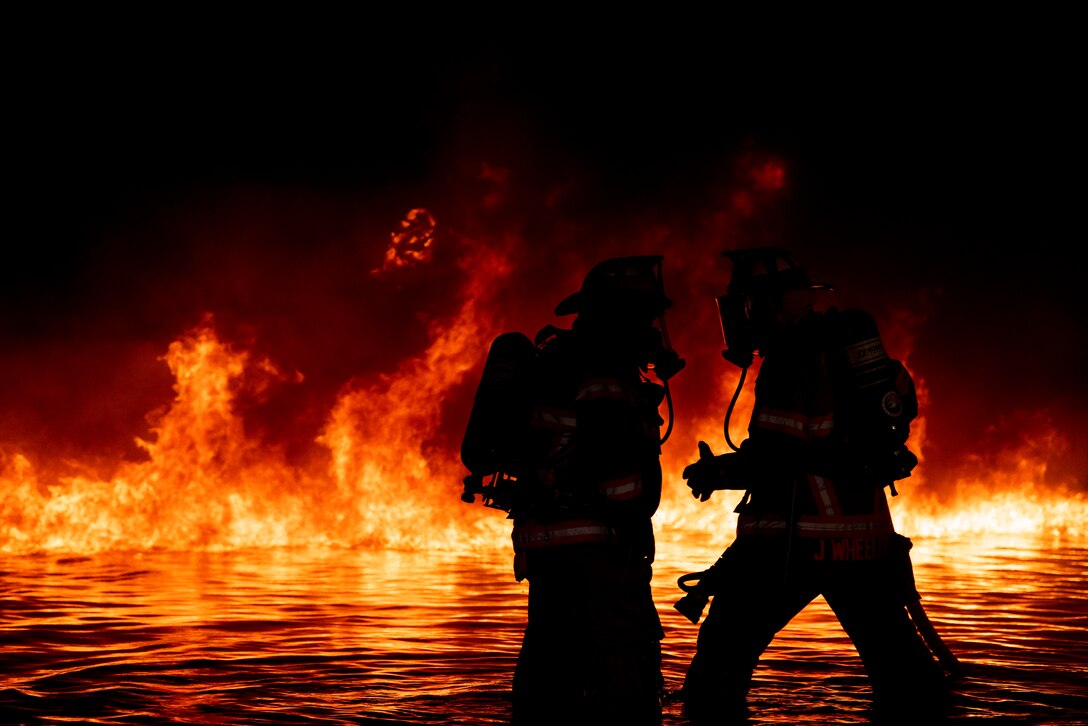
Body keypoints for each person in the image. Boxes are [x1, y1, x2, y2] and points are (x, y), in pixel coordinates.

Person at [677, 247, 949, 722]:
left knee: (717, 671)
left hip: (792, 543)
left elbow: (779, 455)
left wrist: (718, 473)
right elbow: (831, 441)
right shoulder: (838, 352)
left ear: (763, 305)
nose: (741, 317)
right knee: (907, 681)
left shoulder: (790, 360)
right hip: (864, 545)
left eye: (744, 305)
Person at [463, 255, 684, 725]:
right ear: (621, 316)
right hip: (599, 552)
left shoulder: (557, 359)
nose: (652, 329)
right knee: (625, 688)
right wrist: (633, 519)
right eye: (644, 317)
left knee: (548, 675)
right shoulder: (604, 372)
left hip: (548, 548)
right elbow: (615, 476)